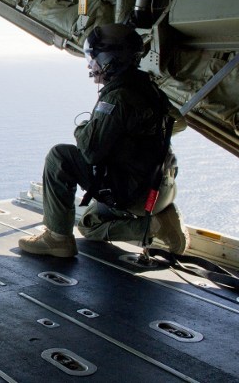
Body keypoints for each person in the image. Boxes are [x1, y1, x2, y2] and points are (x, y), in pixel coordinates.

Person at [18, 23, 189, 258]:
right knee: (89, 222)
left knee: (60, 157)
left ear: (109, 60)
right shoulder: (150, 89)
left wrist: (83, 129)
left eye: (93, 57)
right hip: (161, 188)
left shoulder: (118, 97)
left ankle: (58, 239)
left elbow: (90, 151)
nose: (90, 64)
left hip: (136, 194)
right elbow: (178, 123)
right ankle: (163, 221)